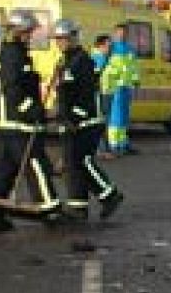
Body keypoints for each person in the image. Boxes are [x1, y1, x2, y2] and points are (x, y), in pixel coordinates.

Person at [0, 11, 58, 232]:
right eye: (28, 32)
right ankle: (50, 209)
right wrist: (32, 110)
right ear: (18, 31)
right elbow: (12, 89)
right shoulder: (12, 55)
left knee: (4, 169)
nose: (30, 36)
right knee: (35, 164)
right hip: (16, 123)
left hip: (7, 123)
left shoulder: (13, 53)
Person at [51, 20, 123, 219]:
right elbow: (65, 93)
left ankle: (110, 195)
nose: (60, 43)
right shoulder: (66, 61)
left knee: (82, 162)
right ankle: (78, 206)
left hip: (86, 122)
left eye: (64, 39)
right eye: (58, 39)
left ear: (74, 38)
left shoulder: (82, 62)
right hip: (73, 122)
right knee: (74, 165)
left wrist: (74, 118)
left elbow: (85, 96)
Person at [100, 23, 140, 154]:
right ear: (115, 33)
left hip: (126, 87)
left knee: (124, 117)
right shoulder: (110, 48)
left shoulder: (130, 49)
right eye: (119, 32)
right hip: (114, 87)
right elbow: (102, 65)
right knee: (115, 117)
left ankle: (122, 144)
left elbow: (134, 67)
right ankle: (113, 145)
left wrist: (136, 81)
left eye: (124, 32)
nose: (122, 35)